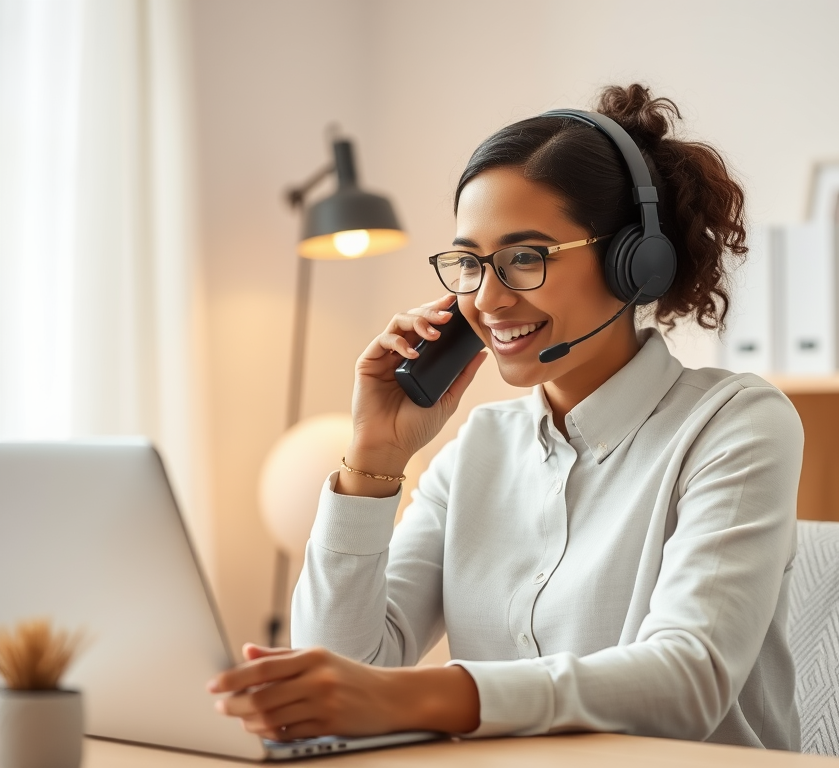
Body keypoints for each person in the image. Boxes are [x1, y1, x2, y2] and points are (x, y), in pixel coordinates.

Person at [208, 83, 804, 750]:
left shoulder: (735, 425)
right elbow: (342, 680)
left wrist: (433, 695)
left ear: (635, 262)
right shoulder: (476, 452)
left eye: (525, 257)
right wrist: (374, 457)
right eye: (469, 262)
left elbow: (687, 681)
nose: (487, 300)